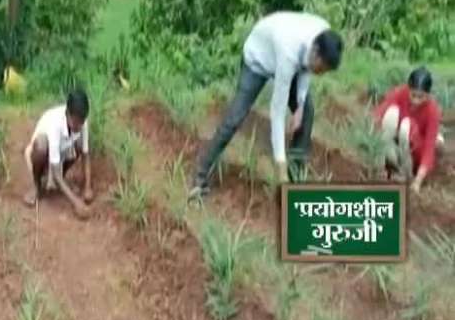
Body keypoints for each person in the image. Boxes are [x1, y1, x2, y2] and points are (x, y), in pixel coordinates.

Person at [189, 11, 344, 199]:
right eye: (321, 68)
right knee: (235, 118)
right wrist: (280, 165)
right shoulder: (289, 52)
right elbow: (277, 114)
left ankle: (295, 180)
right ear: (315, 52)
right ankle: (200, 176)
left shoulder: (322, 35)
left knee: (307, 113)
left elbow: (306, 70)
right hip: (258, 60)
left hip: (288, 56)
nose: (321, 73)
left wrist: (300, 105)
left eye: (325, 71)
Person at [23, 89, 94, 219]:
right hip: (42, 153)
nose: (79, 126)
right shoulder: (55, 124)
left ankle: (61, 181)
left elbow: (85, 154)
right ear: (67, 114)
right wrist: (76, 202)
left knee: (79, 142)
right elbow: (54, 171)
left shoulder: (82, 120)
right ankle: (37, 185)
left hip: (61, 150)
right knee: (41, 145)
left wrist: (87, 187)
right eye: (75, 122)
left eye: (81, 122)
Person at [373, 67, 444, 194]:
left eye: (420, 97)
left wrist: (418, 181)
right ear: (408, 89)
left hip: (415, 152)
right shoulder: (401, 92)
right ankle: (382, 166)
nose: (416, 100)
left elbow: (428, 150)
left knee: (407, 125)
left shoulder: (432, 110)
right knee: (391, 113)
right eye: (413, 95)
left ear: (428, 95)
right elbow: (379, 114)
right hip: (396, 147)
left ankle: (406, 174)